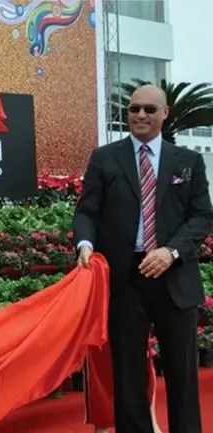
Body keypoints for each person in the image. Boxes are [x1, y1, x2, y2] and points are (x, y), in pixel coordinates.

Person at [73, 83, 213, 432]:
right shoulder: (105, 158)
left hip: (174, 277)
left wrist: (171, 251)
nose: (140, 115)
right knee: (128, 373)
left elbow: (202, 216)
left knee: (181, 372)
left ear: (165, 113)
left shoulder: (189, 161)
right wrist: (85, 244)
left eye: (149, 109)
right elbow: (87, 211)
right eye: (134, 109)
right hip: (125, 280)